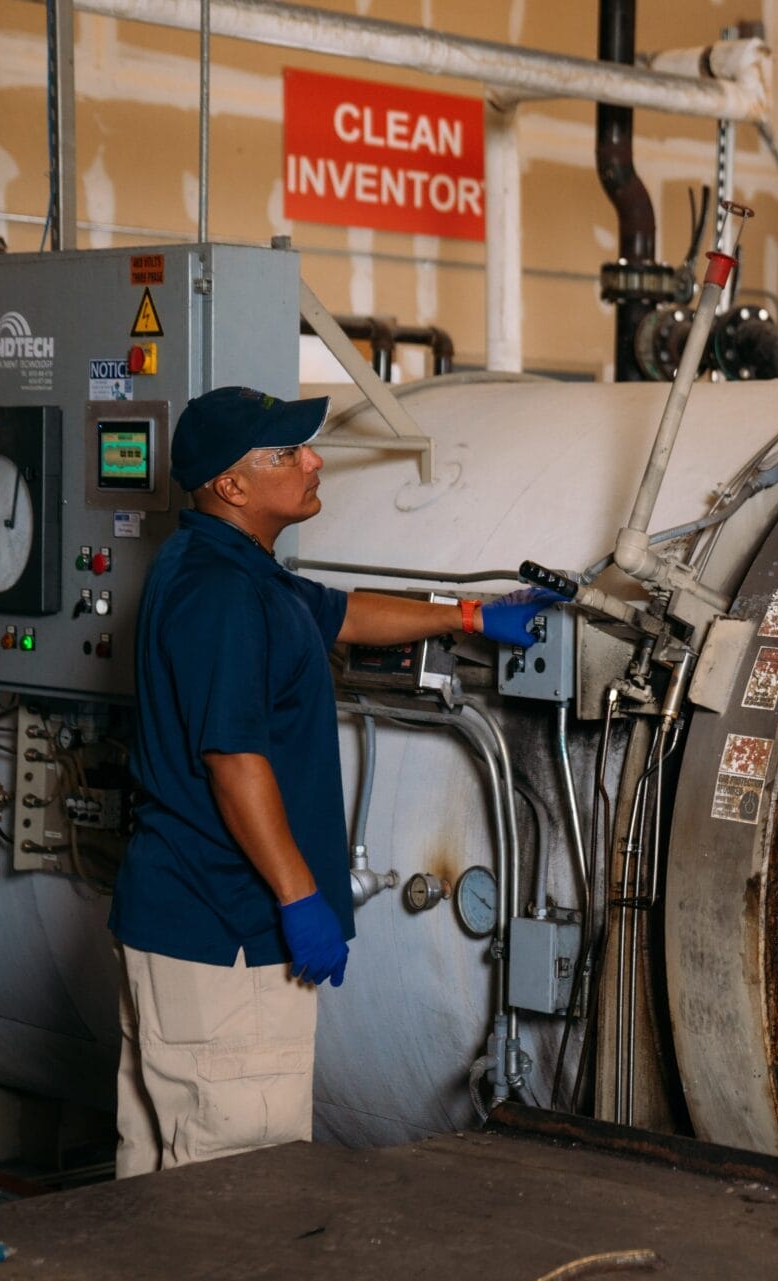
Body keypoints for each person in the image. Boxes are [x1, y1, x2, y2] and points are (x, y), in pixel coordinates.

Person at [110, 385, 551, 1177]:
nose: (314, 460)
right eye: (287, 453)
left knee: (155, 1189)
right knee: (240, 1195)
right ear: (232, 486)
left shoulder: (234, 567)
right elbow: (233, 760)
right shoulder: (222, 594)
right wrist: (297, 897)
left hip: (186, 928)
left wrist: (469, 617)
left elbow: (343, 614)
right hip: (230, 938)